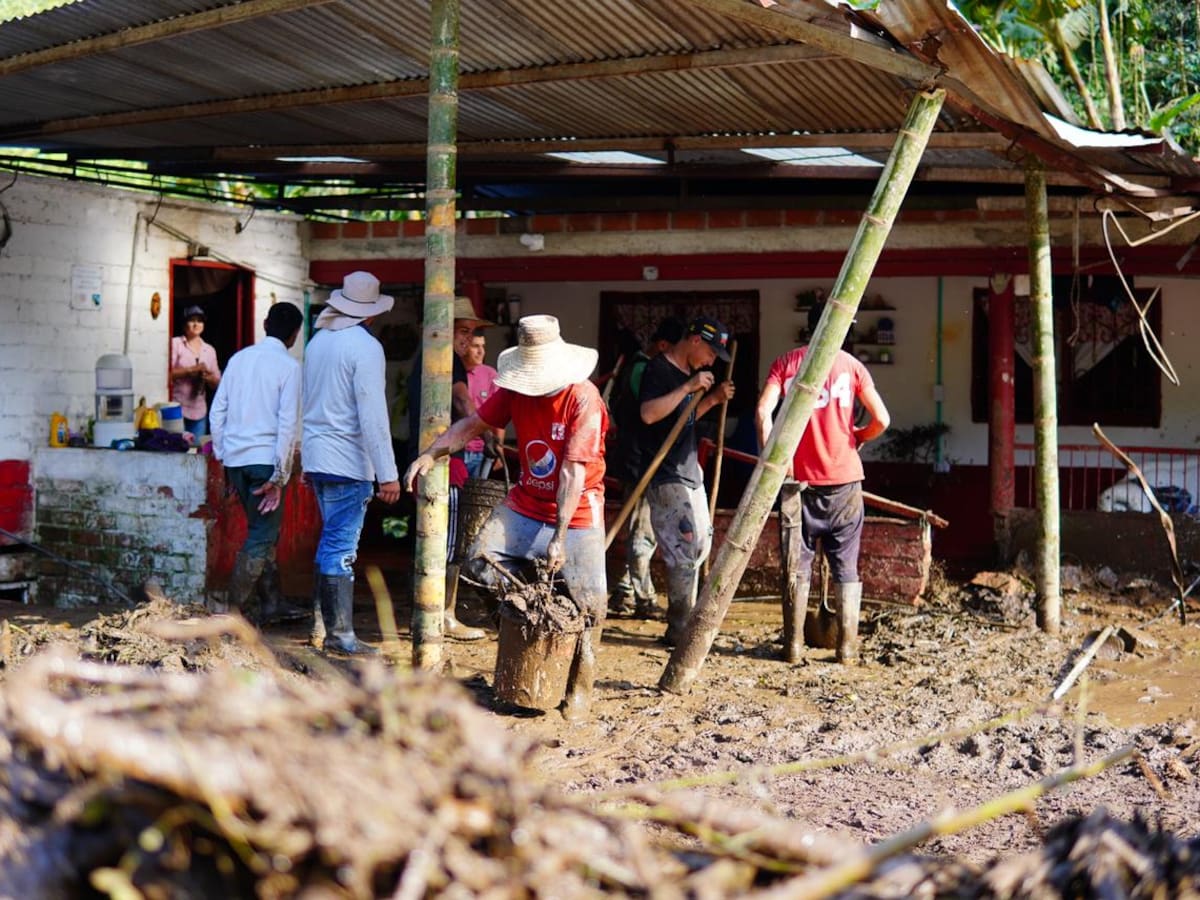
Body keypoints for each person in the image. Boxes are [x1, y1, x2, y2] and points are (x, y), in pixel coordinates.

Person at [404, 315, 607, 720]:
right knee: (478, 564)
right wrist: (432, 452)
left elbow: (572, 471)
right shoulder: (515, 389)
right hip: (525, 501)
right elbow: (473, 424)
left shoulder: (584, 399)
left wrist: (560, 537)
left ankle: (580, 687)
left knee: (591, 603)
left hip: (579, 508)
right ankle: (530, 618)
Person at [755, 300, 891, 665]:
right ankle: (846, 648)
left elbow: (762, 411)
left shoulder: (788, 363)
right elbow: (882, 419)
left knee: (797, 566)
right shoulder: (852, 366)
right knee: (846, 567)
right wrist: (858, 436)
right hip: (845, 484)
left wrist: (774, 458)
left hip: (797, 484)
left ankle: (794, 647)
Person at [303, 271, 401, 655]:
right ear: (371, 313)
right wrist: (388, 475)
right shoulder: (365, 347)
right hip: (348, 460)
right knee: (340, 547)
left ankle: (323, 628)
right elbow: (373, 416)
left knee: (330, 542)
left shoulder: (318, 341)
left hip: (318, 457)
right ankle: (340, 635)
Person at [638, 316, 735, 646]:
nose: (711, 361)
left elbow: (686, 421)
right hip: (665, 474)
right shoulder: (659, 370)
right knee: (683, 549)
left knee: (700, 545)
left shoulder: (689, 379)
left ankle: (685, 622)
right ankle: (679, 628)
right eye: (710, 353)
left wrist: (712, 399)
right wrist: (687, 388)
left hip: (690, 471)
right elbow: (649, 415)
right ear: (695, 341)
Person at [209, 302, 307, 626]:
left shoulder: (238, 359)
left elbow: (217, 411)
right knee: (262, 536)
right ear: (295, 335)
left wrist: (224, 455)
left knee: (263, 533)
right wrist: (280, 475)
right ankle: (234, 615)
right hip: (265, 462)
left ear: (265, 324)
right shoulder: (289, 367)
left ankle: (272, 603)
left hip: (237, 461)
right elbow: (286, 426)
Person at [406, 295, 494, 641]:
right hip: (443, 461)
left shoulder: (427, 359)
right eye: (462, 331)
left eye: (471, 332)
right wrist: (483, 428)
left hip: (429, 458)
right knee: (447, 542)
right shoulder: (448, 361)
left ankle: (430, 614)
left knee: (436, 540)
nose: (466, 339)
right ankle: (442, 615)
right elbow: (461, 401)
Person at [606, 316, 684, 619]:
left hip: (636, 458)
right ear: (663, 346)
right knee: (642, 531)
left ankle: (624, 591)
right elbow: (649, 414)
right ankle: (644, 598)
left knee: (636, 526)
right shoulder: (644, 369)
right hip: (640, 460)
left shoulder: (637, 366)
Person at [169, 305, 222, 438]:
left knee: (197, 453)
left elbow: (217, 383)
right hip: (176, 409)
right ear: (184, 325)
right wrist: (190, 370)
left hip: (199, 412)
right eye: (191, 320)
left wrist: (208, 377)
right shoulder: (176, 344)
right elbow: (167, 374)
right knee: (176, 451)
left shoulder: (209, 350)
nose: (196, 324)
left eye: (199, 321)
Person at [462, 331, 503, 479]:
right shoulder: (453, 373)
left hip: (482, 451)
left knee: (476, 498)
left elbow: (499, 416)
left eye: (483, 346)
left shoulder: (490, 375)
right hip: (455, 450)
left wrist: (499, 449)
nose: (481, 352)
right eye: (475, 346)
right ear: (464, 346)